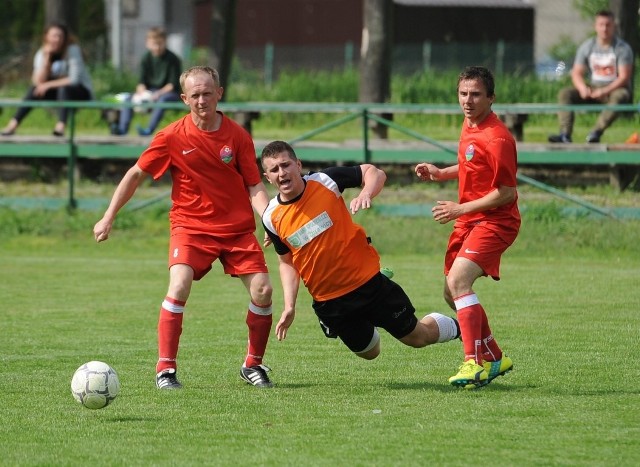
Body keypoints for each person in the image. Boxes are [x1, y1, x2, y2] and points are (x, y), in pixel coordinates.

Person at [93, 66, 274, 390]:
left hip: (235, 229)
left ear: (219, 93)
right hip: (190, 227)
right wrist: (109, 216)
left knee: (263, 290)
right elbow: (136, 174)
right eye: (195, 95)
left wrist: (271, 221)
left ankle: (253, 365)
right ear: (184, 99)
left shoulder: (237, 136)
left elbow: (254, 185)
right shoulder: (172, 136)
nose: (202, 100)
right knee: (178, 286)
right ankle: (166, 371)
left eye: (208, 93)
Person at [261, 140, 460, 372]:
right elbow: (286, 262)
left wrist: (366, 192)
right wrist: (289, 306)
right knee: (370, 352)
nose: (282, 172)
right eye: (274, 169)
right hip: (330, 301)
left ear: (298, 164)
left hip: (368, 285)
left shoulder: (325, 181)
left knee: (417, 338)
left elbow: (375, 173)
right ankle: (366, 321)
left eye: (285, 165)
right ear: (268, 177)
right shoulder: (271, 218)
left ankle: (462, 327)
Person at [415, 66, 520, 389]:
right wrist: (440, 173)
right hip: (470, 219)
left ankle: (473, 362)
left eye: (476, 94)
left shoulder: (498, 137)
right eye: (463, 93)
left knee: (459, 281)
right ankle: (495, 357)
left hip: (497, 220)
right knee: (451, 292)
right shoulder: (469, 124)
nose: (468, 100)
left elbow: (507, 192)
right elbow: (471, 164)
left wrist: (460, 207)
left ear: (491, 97)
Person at [548, 9, 633, 144]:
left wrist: (604, 91)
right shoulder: (587, 46)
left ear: (614, 27)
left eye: (608, 25)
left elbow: (624, 77)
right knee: (565, 93)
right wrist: (583, 88)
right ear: (595, 26)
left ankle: (595, 133)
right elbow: (576, 72)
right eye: (601, 24)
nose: (604, 28)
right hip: (593, 87)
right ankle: (565, 134)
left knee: (621, 95)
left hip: (613, 89)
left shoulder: (623, 49)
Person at [1, 23, 93, 137]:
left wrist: (48, 85)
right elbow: (37, 81)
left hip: (79, 92)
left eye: (60, 36)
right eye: (54, 36)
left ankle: (60, 127)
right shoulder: (42, 53)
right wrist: (46, 59)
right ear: (47, 37)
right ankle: (13, 124)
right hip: (57, 93)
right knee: (33, 90)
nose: (57, 39)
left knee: (63, 89)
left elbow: (74, 80)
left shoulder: (72, 50)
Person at [112, 27, 182, 136]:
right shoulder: (145, 58)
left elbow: (172, 85)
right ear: (147, 43)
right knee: (128, 99)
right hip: (150, 91)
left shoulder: (173, 59)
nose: (157, 47)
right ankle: (122, 130)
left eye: (160, 44)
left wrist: (157, 94)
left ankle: (149, 129)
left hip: (168, 94)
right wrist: (142, 91)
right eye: (154, 44)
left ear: (165, 42)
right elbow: (141, 82)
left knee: (162, 100)